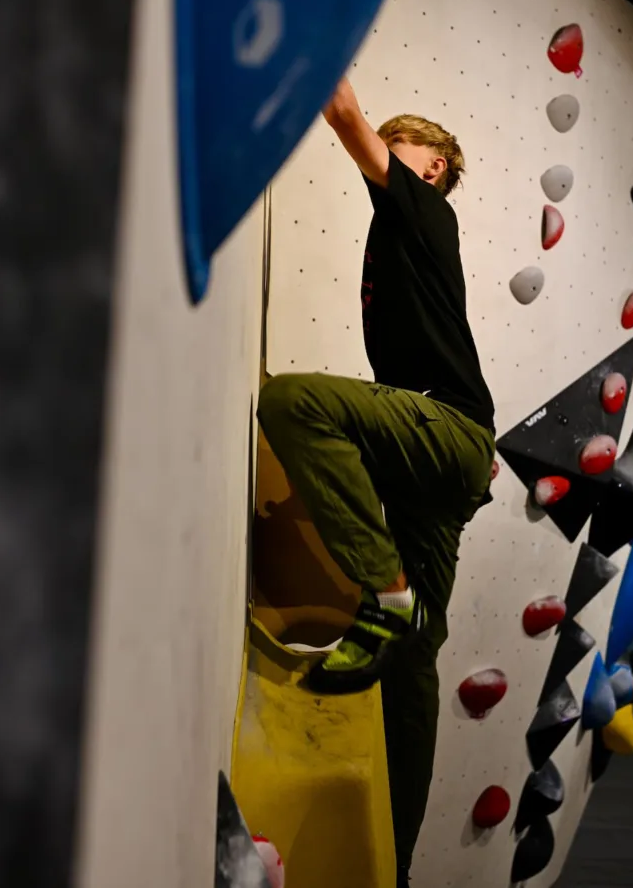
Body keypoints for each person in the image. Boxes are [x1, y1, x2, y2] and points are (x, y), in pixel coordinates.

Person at [257, 76, 496, 886]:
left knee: (291, 402)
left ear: (430, 170)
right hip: (439, 447)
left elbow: (342, 110)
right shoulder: (398, 236)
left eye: (404, 148)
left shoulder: (425, 210)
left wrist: (315, 16)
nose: (386, 154)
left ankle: (383, 592)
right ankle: (391, 859)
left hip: (444, 428)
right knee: (415, 653)